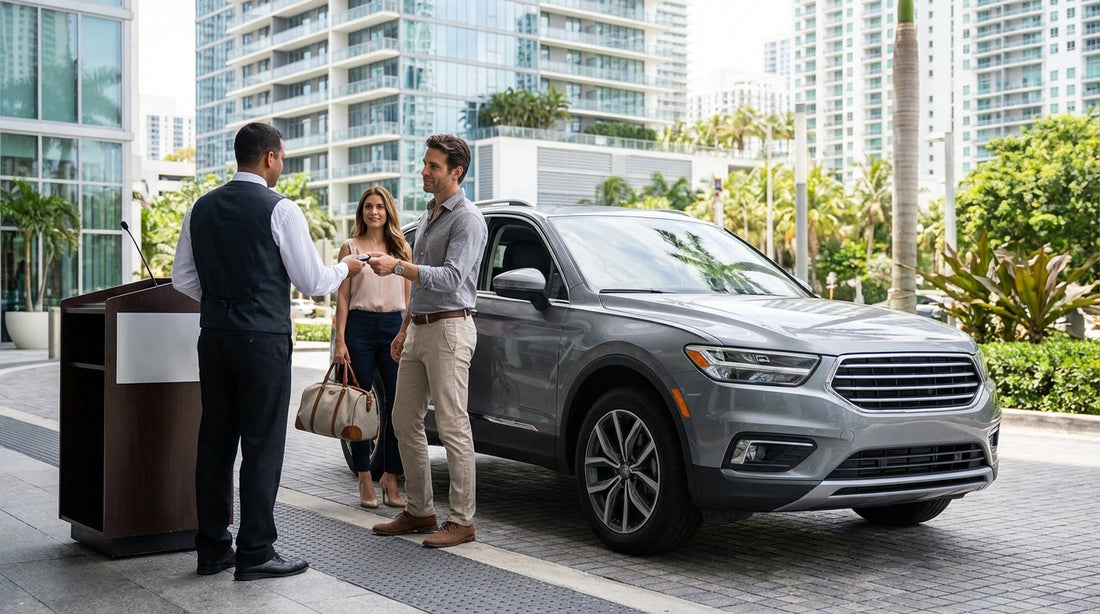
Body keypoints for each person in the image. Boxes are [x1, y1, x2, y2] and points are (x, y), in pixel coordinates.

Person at [172, 122, 367, 581]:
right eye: (282, 156)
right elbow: (313, 282)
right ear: (270, 158)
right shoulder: (280, 209)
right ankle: (256, 551)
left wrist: (224, 303)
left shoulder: (200, 208)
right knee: (261, 445)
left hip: (215, 337)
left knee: (215, 443)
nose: (282, 163)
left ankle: (212, 549)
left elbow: (182, 280)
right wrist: (347, 266)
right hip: (262, 341)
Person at [367, 134, 487, 548]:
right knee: (403, 420)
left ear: (456, 172)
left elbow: (452, 278)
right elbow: (422, 284)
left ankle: (462, 521)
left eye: (433, 166)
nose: (424, 171)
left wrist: (400, 267)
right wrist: (405, 329)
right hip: (420, 328)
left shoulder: (467, 219)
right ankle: (419, 510)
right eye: (424, 163)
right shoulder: (432, 213)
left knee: (453, 425)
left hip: (451, 329)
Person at [333, 185, 411, 510]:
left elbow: (409, 298)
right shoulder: (350, 248)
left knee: (398, 406)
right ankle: (364, 474)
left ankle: (391, 475)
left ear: (388, 211)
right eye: (368, 207)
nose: (374, 212)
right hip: (359, 329)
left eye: (380, 206)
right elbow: (341, 296)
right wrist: (340, 340)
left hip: (393, 326)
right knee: (359, 405)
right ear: (361, 212)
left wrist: (406, 332)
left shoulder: (401, 249)